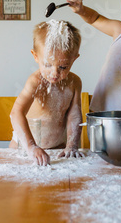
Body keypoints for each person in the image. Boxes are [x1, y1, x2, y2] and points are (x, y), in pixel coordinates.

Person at [9, 20, 84, 166]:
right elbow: (16, 113)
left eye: (63, 67)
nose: (54, 73)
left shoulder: (75, 82)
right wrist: (31, 147)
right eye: (48, 65)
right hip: (26, 149)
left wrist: (72, 145)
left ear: (74, 59)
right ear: (35, 56)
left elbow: (74, 114)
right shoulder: (35, 82)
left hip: (58, 148)